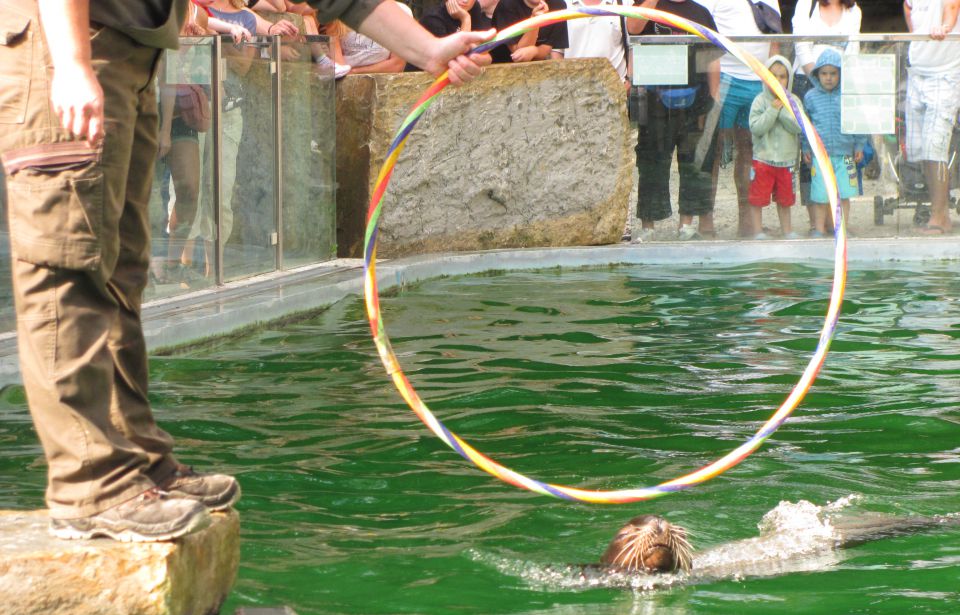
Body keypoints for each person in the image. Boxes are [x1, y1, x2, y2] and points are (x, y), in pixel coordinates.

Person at [0, 0, 492, 542]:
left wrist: (427, 50)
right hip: (64, 40)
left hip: (135, 54)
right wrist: (71, 62)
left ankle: (137, 462)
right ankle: (89, 485)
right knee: (69, 264)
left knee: (121, 270)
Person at [627, 0, 720, 240]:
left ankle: (686, 224)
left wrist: (714, 98)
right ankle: (648, 226)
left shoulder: (700, 12)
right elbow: (633, 28)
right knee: (652, 161)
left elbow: (712, 57)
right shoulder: (646, 5)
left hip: (694, 97)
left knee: (692, 162)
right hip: (655, 98)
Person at [700, 0, 780, 237]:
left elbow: (774, 37)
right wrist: (712, 91)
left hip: (757, 79)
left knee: (751, 153)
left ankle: (748, 223)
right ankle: (706, 222)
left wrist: (770, 80)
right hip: (725, 77)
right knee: (713, 154)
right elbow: (703, 33)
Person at [791, 0, 861, 230]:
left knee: (840, 153)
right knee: (811, 159)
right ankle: (815, 222)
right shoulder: (806, 5)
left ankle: (836, 222)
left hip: (840, 83)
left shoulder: (853, 11)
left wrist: (835, 79)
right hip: (808, 80)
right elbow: (801, 46)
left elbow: (853, 50)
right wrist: (819, 80)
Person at [903, 0, 960, 234]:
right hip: (917, 72)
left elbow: (952, 6)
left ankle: (940, 216)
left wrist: (945, 27)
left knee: (935, 147)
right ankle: (938, 211)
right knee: (920, 149)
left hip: (945, 74)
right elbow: (908, 8)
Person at [801, 48, 865, 237]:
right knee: (821, 195)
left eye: (833, 73)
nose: (828, 78)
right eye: (824, 73)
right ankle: (819, 229)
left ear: (841, 74)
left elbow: (859, 122)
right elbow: (806, 125)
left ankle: (841, 228)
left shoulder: (849, 95)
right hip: (820, 156)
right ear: (817, 74)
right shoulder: (810, 97)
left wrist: (859, 145)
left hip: (846, 155)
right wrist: (805, 147)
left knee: (844, 194)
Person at [748, 55, 801, 239]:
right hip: (763, 159)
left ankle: (787, 231)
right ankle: (757, 231)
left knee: (785, 200)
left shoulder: (793, 101)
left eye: (782, 76)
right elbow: (756, 127)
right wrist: (772, 110)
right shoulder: (760, 101)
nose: (778, 81)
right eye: (773, 76)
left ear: (789, 79)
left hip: (786, 161)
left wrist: (782, 111)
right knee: (758, 198)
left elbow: (798, 126)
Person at [563, 0, 628, 82]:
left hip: (613, 86)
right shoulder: (563, 3)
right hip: (574, 86)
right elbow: (557, 50)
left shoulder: (623, 3)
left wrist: (628, 80)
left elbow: (632, 42)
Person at [490, 0, 569, 63]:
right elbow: (519, 54)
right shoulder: (507, 4)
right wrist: (535, 20)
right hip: (504, 68)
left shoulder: (558, 5)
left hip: (538, 69)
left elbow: (547, 47)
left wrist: (535, 51)